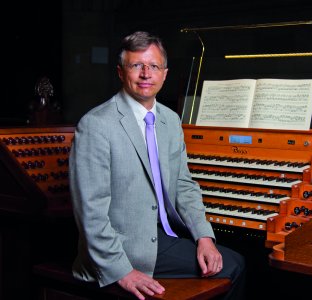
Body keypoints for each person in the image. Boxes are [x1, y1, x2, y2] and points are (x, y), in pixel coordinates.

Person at [69, 31, 246, 300]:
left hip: (165, 234)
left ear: (164, 73)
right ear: (120, 72)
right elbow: (90, 213)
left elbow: (184, 185)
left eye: (153, 66)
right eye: (136, 65)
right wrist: (123, 272)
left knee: (226, 258)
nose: (145, 74)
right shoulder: (96, 125)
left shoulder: (171, 120)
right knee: (235, 266)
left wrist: (204, 237)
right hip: (125, 247)